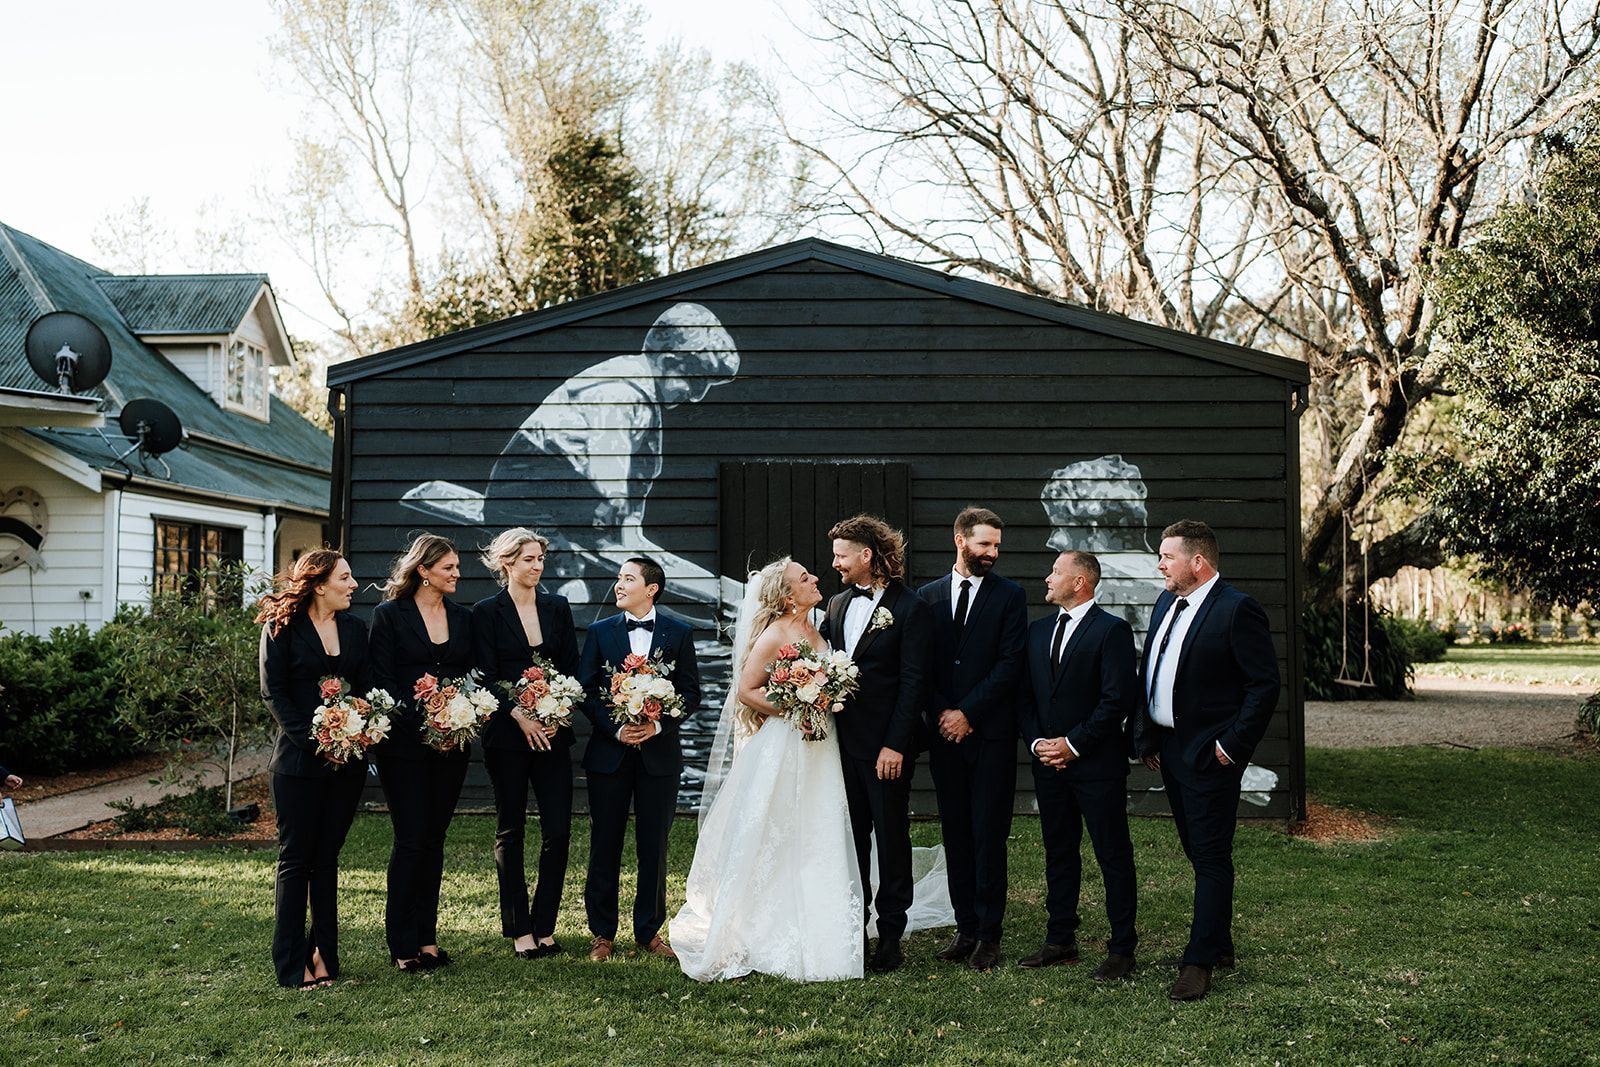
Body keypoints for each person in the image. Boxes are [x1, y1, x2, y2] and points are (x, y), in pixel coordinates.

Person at [670, 558, 865, 981]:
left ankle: (822, 919)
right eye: (805, 578)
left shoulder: (819, 627)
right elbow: (746, 689)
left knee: (819, 824)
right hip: (787, 742)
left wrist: (821, 699)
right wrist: (795, 706)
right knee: (781, 828)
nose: (815, 579)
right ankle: (767, 925)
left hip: (822, 742)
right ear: (787, 594)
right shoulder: (776, 634)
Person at [1133, 520, 1280, 1002]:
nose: (1160, 564)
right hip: (1171, 751)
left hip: (1212, 754)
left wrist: (1232, 745)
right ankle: (1219, 942)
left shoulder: (1237, 610)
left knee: (1211, 855)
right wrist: (1149, 736)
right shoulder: (1165, 602)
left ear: (1197, 562)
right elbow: (1152, 671)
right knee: (1199, 852)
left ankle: (1198, 961)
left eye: (1167, 557)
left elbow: (1263, 685)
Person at [818, 514, 932, 973]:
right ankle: (854, 928)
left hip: (886, 749)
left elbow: (913, 683)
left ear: (867, 556)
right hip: (837, 746)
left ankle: (890, 933)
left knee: (890, 837)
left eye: (841, 556)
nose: (835, 564)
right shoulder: (838, 604)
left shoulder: (911, 608)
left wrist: (895, 745)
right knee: (850, 841)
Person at [1020, 550, 1140, 980]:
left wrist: (1072, 744)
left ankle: (1122, 948)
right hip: (1048, 766)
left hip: (1097, 767)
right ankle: (1060, 939)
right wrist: (1038, 744)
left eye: (1056, 572)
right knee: (1059, 852)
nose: (1047, 577)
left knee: (1113, 854)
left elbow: (1116, 701)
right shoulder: (1036, 633)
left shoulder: (1112, 631)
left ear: (1080, 583)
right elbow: (1027, 698)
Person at [916, 507, 1026, 971]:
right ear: (960, 540)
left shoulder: (1010, 597)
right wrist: (944, 712)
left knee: (989, 834)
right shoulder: (928, 598)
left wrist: (968, 713)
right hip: (944, 736)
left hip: (990, 736)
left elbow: (1010, 664)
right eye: (985, 544)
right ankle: (964, 928)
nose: (992, 554)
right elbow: (922, 666)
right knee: (956, 832)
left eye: (996, 546)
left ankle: (989, 934)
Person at [578, 556, 701, 962]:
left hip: (659, 758)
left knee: (654, 846)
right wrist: (615, 729)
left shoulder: (679, 633)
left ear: (652, 589)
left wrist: (658, 725)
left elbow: (690, 692)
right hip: (608, 756)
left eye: (627, 579)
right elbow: (587, 690)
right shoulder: (599, 632)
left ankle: (649, 931)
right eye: (618, 578)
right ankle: (602, 934)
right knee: (605, 843)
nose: (618, 585)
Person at [257, 549, 370, 989]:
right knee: (296, 860)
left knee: (327, 859)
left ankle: (325, 953)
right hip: (298, 765)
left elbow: (369, 687)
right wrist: (317, 742)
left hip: (349, 765)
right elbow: (275, 693)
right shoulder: (281, 628)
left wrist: (359, 732)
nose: (354, 584)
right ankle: (290, 964)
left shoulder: (357, 630)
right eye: (346, 576)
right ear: (319, 584)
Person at [471, 529, 581, 960]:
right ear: (507, 564)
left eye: (540, 559)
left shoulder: (558, 608)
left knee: (558, 829)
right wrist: (518, 714)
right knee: (510, 828)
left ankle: (545, 924)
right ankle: (519, 928)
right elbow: (483, 672)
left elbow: (571, 668)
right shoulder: (485, 612)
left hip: (553, 733)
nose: (537, 566)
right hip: (507, 736)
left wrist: (556, 714)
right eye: (528, 559)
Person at [368, 534, 475, 973]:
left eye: (456, 566)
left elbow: (472, 675)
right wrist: (427, 722)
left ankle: (428, 939)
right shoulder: (389, 616)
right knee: (411, 838)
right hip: (405, 747)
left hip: (452, 747)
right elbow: (382, 680)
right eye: (448, 567)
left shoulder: (462, 617)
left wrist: (457, 721)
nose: (456, 574)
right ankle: (402, 943)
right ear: (424, 571)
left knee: (434, 839)